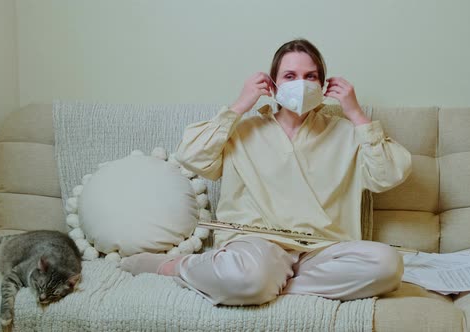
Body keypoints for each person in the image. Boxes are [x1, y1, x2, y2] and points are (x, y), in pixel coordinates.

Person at [121, 38, 412, 305]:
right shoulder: (244, 130)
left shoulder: (347, 132)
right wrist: (239, 105)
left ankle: (266, 286)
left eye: (310, 76)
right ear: (273, 86)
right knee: (248, 276)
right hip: (258, 247)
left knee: (388, 265)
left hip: (324, 250)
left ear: (323, 87)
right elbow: (191, 156)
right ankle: (174, 266)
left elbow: (387, 176)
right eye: (290, 76)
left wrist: (357, 114)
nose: (301, 83)